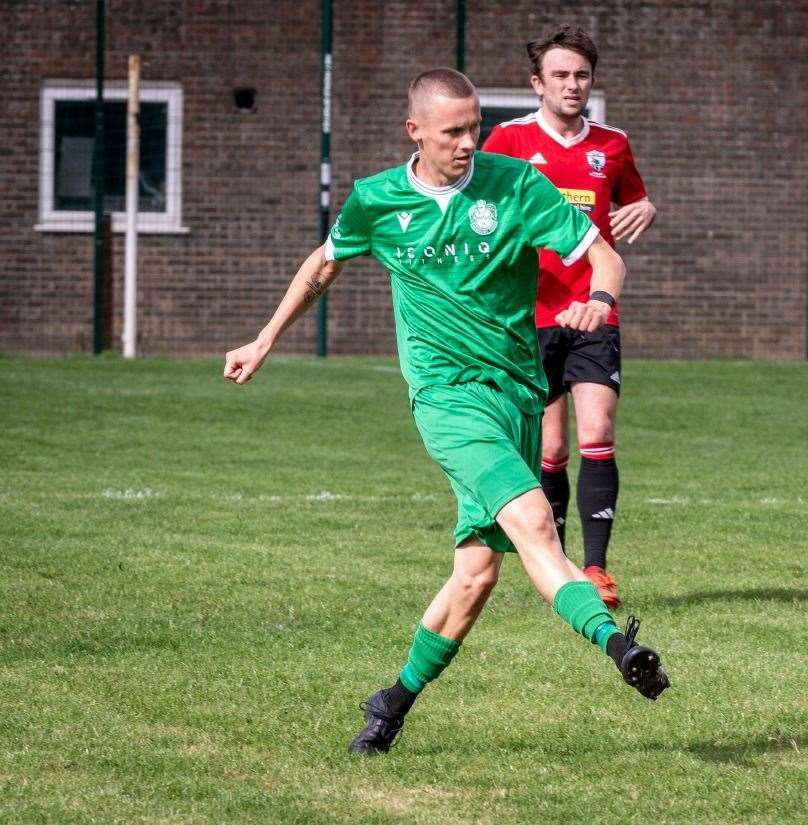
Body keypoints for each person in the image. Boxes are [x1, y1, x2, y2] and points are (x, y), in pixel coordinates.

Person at [223, 68, 669, 757]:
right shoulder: (377, 200)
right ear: (416, 132)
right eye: (453, 131)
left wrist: (599, 301)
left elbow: (604, 258)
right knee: (535, 521)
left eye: (475, 128)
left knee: (475, 575)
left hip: (517, 393)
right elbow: (323, 264)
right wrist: (264, 339)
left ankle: (391, 703)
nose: (468, 142)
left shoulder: (515, 185)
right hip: (446, 397)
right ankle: (618, 646)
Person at [483, 25, 656, 609]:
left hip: (594, 311)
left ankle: (598, 568)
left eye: (581, 75)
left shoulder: (613, 144)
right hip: (531, 315)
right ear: (538, 83)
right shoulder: (508, 140)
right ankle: (557, 569)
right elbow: (479, 208)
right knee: (551, 449)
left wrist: (646, 207)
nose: (572, 84)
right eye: (559, 75)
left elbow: (633, 200)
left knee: (598, 433)